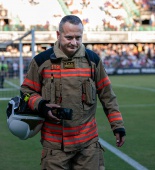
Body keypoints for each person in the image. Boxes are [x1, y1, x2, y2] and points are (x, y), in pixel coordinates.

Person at [20, 15, 126, 170]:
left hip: (88, 146)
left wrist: (118, 126)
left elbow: (107, 95)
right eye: (69, 37)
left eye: (78, 37)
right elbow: (26, 91)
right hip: (54, 147)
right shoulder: (42, 61)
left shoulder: (93, 60)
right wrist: (42, 105)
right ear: (58, 35)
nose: (74, 42)